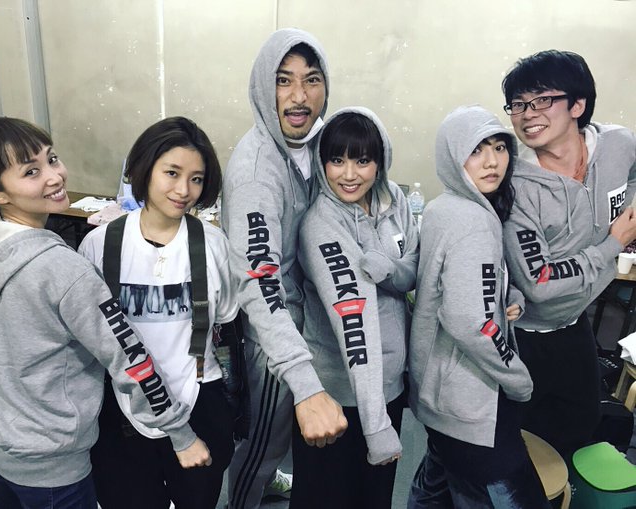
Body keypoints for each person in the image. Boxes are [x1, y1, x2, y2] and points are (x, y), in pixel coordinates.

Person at [0, 117, 196, 508]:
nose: (55, 176)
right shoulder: (65, 270)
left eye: (52, 159)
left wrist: (0, 365)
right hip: (52, 460)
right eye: (31, 172)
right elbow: (129, 357)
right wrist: (180, 434)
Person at [78, 116, 238, 509]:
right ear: (145, 168)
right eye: (172, 173)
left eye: (196, 179)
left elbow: (225, 317)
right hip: (122, 404)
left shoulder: (214, 245)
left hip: (198, 396)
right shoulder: (99, 244)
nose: (184, 190)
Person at [221, 28, 348, 508]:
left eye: (311, 80)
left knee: (290, 440)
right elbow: (260, 284)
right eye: (283, 80)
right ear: (263, 87)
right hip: (275, 328)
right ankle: (244, 498)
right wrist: (303, 380)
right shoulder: (257, 172)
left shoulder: (318, 140)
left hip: (310, 313)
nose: (298, 96)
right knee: (265, 441)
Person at [408, 105, 550, 508]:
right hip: (471, 400)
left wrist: (506, 295)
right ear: (453, 155)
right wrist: (517, 377)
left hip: (439, 395)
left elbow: (459, 287)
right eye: (476, 150)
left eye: (499, 147)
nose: (492, 162)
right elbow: (469, 320)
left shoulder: (442, 207)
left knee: (435, 490)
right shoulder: (474, 221)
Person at [501, 50, 636, 456]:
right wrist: (614, 243)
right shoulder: (516, 187)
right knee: (518, 444)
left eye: (542, 100)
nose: (528, 114)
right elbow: (539, 285)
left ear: (578, 105)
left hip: (575, 323)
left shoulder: (617, 144)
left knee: (581, 423)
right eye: (518, 104)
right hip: (523, 334)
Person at [293, 107, 418, 508]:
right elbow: (354, 322)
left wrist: (390, 271)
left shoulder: (394, 200)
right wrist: (376, 426)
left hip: (388, 384)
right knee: (325, 499)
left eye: (362, 161)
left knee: (373, 498)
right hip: (339, 395)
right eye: (337, 160)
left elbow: (413, 267)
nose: (349, 174)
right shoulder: (321, 223)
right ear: (322, 162)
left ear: (379, 163)